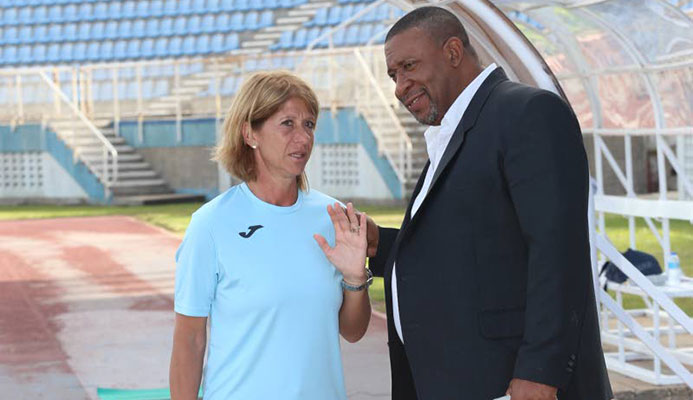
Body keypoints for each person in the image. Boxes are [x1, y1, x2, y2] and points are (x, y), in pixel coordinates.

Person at [364, 6, 613, 400]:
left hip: (516, 385)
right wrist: (382, 246)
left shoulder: (528, 113)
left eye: (409, 66)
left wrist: (540, 371)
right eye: (394, 75)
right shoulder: (458, 131)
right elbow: (471, 253)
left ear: (452, 52)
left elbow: (558, 254)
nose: (399, 85)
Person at [169, 71, 372, 400]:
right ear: (250, 133)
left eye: (309, 124)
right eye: (287, 123)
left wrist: (355, 278)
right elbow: (189, 342)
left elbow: (353, 331)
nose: (303, 138)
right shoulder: (211, 224)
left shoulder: (333, 217)